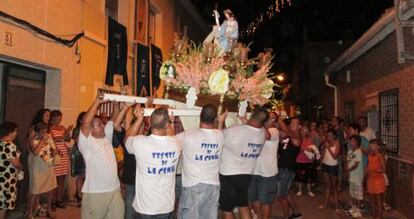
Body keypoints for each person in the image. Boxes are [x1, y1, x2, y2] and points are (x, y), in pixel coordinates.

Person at [125, 106, 181, 218]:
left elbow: (127, 139)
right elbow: (171, 135)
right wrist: (170, 121)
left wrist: (139, 119)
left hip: (145, 206)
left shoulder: (140, 143)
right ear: (166, 124)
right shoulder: (176, 144)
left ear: (150, 122)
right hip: (165, 205)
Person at [79, 97, 128, 219]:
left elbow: (113, 119)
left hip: (114, 190)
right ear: (91, 129)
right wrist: (97, 102)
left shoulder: (106, 136)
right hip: (95, 193)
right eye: (99, 124)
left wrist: (120, 105)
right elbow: (85, 122)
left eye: (102, 123)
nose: (103, 125)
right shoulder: (87, 142)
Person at [176, 104, 226, 219]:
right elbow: (219, 131)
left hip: (193, 186)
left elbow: (168, 142)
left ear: (200, 116)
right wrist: (221, 121)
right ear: (214, 119)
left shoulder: (187, 136)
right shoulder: (220, 136)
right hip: (213, 186)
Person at [219, 107, 268, 219]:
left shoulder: (236, 131)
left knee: (227, 209)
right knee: (243, 205)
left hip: (229, 174)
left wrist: (221, 121)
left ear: (251, 116)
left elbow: (220, 138)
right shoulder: (262, 134)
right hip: (246, 175)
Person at [248, 112, 279, 219]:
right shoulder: (258, 130)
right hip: (255, 170)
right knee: (253, 199)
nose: (268, 120)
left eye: (271, 119)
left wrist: (259, 122)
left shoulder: (274, 131)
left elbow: (266, 136)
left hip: (268, 173)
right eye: (267, 118)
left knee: (265, 201)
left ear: (275, 122)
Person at [27, 122, 58, 219]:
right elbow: (36, 152)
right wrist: (42, 141)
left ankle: (49, 211)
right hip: (37, 167)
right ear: (36, 132)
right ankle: (30, 213)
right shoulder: (32, 140)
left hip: (48, 166)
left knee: (50, 190)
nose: (44, 133)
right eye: (42, 132)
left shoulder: (49, 137)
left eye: (45, 131)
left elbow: (53, 149)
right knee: (35, 191)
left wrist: (55, 151)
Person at [275, 117, 302, 219]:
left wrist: (278, 118)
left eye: (294, 123)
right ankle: (296, 213)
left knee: (282, 196)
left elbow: (286, 130)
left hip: (287, 170)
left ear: (299, 127)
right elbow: (279, 132)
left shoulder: (296, 136)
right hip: (282, 169)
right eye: (291, 123)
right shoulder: (288, 136)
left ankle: (285, 217)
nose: (291, 124)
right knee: (286, 194)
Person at [49, 110, 72, 209]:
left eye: (60, 118)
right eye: (57, 118)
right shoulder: (50, 128)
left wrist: (67, 133)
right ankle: (53, 201)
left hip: (64, 154)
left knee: (62, 179)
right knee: (55, 180)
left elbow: (68, 140)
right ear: (52, 118)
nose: (59, 120)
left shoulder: (62, 127)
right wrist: (63, 135)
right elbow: (51, 140)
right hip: (56, 154)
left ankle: (59, 200)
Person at [0, 122, 21, 219]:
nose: (16, 133)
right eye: (15, 131)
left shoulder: (1, 143)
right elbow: (15, 163)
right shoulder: (10, 145)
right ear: (9, 132)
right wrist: (21, 166)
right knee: (4, 205)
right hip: (6, 180)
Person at [319, 129, 340, 211]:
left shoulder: (337, 143)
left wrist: (328, 148)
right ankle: (325, 203)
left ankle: (337, 205)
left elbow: (335, 156)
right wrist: (324, 148)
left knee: (334, 187)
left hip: (333, 166)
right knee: (327, 185)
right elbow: (323, 156)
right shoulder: (326, 143)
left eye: (330, 135)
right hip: (325, 165)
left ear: (334, 136)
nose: (328, 137)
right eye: (327, 135)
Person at [345, 135, 364, 218]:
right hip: (351, 176)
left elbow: (356, 164)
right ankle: (354, 208)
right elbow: (348, 161)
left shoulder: (359, 152)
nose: (350, 142)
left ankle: (359, 210)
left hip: (357, 176)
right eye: (350, 141)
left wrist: (348, 170)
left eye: (352, 141)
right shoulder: (350, 151)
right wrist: (346, 169)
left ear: (356, 142)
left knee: (358, 194)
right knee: (352, 193)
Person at [70, 112, 86, 207]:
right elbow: (76, 140)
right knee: (80, 175)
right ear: (80, 120)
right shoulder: (77, 129)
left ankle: (81, 195)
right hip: (78, 153)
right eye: (84, 118)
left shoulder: (88, 128)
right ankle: (80, 196)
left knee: (86, 175)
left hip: (86, 152)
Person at [367, 139, 386, 219]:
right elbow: (369, 166)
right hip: (370, 180)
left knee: (378, 201)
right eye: (371, 144)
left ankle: (379, 216)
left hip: (378, 180)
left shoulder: (380, 155)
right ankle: (374, 215)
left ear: (378, 146)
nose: (371, 146)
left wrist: (373, 170)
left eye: (373, 144)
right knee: (371, 200)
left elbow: (383, 169)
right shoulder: (370, 154)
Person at [295, 126, 317, 197]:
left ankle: (309, 190)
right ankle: (300, 190)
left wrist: (305, 150)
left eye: (305, 131)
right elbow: (298, 149)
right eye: (303, 131)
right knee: (300, 176)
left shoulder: (309, 139)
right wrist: (305, 149)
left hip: (308, 160)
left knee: (308, 176)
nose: (304, 132)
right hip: (300, 160)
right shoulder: (299, 139)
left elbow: (313, 149)